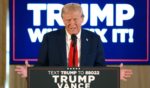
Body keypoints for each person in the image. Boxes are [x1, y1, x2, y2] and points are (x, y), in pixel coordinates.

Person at [15, 3, 132, 81]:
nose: (71, 24)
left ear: (82, 18)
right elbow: (42, 66)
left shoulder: (94, 39)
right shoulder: (49, 38)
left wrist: (115, 74)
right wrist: (30, 73)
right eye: (67, 20)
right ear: (62, 19)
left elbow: (100, 68)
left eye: (75, 19)